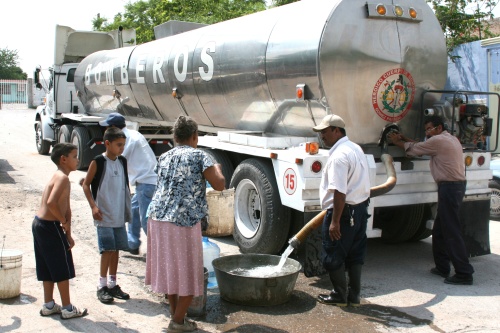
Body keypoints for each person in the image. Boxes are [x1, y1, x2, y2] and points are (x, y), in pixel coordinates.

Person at [145, 115, 225, 332]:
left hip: (157, 219)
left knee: (171, 271)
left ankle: (176, 317)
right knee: (190, 274)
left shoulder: (164, 156)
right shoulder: (201, 155)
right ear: (194, 136)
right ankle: (177, 322)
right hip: (182, 222)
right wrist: (217, 166)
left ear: (175, 137)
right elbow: (219, 185)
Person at [388, 115, 474, 285]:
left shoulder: (439, 141)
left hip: (449, 188)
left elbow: (415, 149)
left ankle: (464, 273)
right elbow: (423, 145)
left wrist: (395, 141)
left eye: (429, 129)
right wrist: (405, 137)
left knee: (451, 231)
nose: (427, 132)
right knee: (440, 229)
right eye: (426, 129)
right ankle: (442, 267)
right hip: (453, 187)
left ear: (439, 128)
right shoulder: (450, 139)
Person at [313, 114, 371, 307]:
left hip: (344, 212)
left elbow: (339, 191)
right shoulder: (355, 148)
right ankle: (354, 296)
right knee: (355, 253)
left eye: (325, 131)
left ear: (337, 130)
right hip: (360, 209)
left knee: (332, 254)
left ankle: (339, 295)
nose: (322, 135)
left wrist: (335, 221)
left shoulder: (338, 156)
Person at [32, 143, 87, 319]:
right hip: (50, 226)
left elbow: (66, 206)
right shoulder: (62, 178)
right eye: (74, 156)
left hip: (40, 225)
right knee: (61, 267)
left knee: (47, 266)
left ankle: (49, 305)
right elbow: (51, 202)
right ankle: (67, 308)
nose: (77, 159)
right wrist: (62, 222)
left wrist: (68, 233)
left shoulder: (60, 177)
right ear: (63, 159)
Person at [82, 127, 132, 304]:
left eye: (124, 145)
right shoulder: (98, 162)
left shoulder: (122, 161)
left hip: (118, 215)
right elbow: (85, 185)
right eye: (119, 145)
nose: (122, 148)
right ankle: (101, 285)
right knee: (107, 250)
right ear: (107, 143)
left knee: (116, 249)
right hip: (103, 216)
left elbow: (124, 186)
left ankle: (113, 284)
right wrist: (93, 207)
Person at [99, 112, 157, 255]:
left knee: (146, 220)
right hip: (145, 180)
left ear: (113, 127)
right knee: (132, 211)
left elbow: (116, 159)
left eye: (107, 128)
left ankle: (159, 250)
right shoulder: (133, 134)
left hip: (146, 182)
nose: (106, 131)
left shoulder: (126, 139)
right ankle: (132, 244)